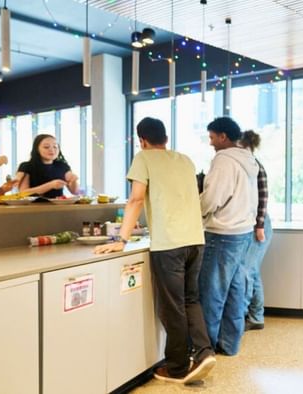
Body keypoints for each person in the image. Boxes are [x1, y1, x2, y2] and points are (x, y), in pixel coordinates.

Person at [94, 117, 216, 384]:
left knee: (172, 307)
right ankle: (205, 351)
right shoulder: (184, 159)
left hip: (169, 244)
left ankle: (177, 367)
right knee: (190, 299)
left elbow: (137, 197)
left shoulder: (144, 157)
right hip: (196, 239)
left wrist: (121, 239)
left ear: (142, 140)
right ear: (166, 139)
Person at [199, 117, 259, 355]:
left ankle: (205, 349)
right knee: (235, 291)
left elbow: (213, 197)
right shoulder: (248, 158)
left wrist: (197, 210)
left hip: (222, 233)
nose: (211, 143)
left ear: (223, 136)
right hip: (243, 232)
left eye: (212, 137)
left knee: (212, 292)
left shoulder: (224, 160)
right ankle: (230, 344)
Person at [239, 130, 273, 331]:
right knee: (251, 271)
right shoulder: (248, 164)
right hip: (253, 223)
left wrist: (259, 226)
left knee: (248, 271)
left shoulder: (254, 166)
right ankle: (255, 316)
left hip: (258, 225)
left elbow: (263, 197)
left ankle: (252, 316)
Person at [18, 134, 80, 198]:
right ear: (37, 149)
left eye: (55, 147)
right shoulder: (26, 166)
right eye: (46, 147)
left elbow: (75, 192)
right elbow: (23, 193)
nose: (52, 150)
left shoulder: (62, 166)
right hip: (32, 206)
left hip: (58, 206)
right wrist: (50, 185)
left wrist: (74, 180)